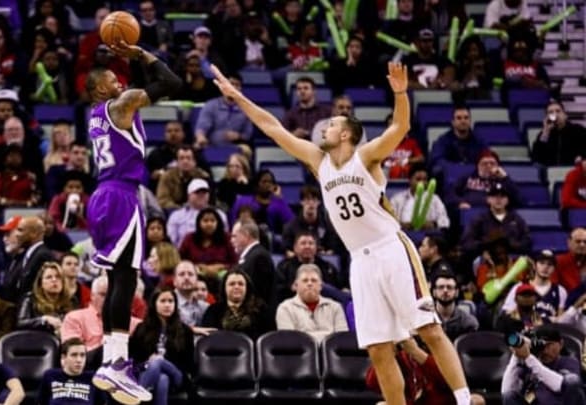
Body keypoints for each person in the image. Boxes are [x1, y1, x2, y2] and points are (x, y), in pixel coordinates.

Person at [210, 61, 472, 405]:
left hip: (390, 248)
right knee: (379, 348)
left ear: (346, 133)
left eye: (332, 124)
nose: (325, 127)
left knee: (429, 330)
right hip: (360, 261)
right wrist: (238, 97)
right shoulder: (319, 161)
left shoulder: (366, 157)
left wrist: (399, 93)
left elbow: (401, 126)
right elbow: (272, 127)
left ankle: (465, 399)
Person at [85, 37, 182, 404]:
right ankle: (117, 361)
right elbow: (172, 84)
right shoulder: (121, 105)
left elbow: (149, 87)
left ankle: (112, 362)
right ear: (99, 89)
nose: (120, 82)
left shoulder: (96, 115)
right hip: (122, 196)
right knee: (126, 278)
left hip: (103, 195)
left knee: (117, 279)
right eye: (112, 78)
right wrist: (142, 54)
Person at [129, 289, 194, 405]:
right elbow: (133, 355)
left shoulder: (185, 331)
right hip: (147, 371)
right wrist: (147, 362)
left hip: (176, 375)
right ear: (154, 304)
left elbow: (188, 363)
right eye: (163, 301)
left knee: (158, 362)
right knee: (162, 379)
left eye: (171, 301)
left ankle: (134, 399)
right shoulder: (142, 328)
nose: (167, 305)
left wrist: (164, 363)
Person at [501, 326, 585, 404]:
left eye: (549, 345)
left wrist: (529, 358)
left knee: (572, 380)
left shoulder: (569, 361)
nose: (545, 351)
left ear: (561, 344)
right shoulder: (529, 363)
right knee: (509, 395)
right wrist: (516, 355)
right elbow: (506, 390)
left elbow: (561, 385)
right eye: (541, 346)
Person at [275, 264, 348, 342]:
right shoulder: (285, 308)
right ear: (296, 285)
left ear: (321, 286)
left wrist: (304, 335)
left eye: (314, 280)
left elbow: (342, 340)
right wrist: (328, 335)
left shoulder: (335, 307)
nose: (309, 284)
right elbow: (290, 341)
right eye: (305, 280)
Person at [37, 337, 108, 405]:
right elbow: (41, 402)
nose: (79, 360)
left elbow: (102, 403)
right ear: (64, 357)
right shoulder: (50, 375)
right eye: (74, 355)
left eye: (82, 355)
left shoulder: (94, 378)